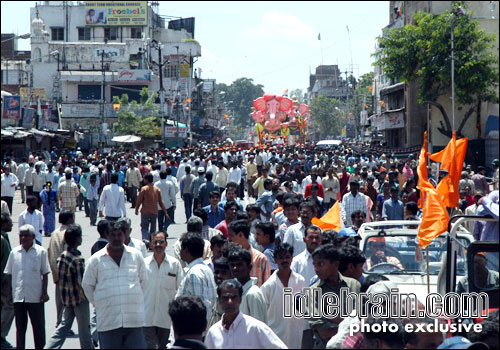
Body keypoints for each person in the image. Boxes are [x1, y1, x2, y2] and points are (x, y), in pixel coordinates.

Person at [82, 221, 148, 349]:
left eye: (120, 234)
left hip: (133, 320)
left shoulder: (136, 256)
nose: (117, 238)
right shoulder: (96, 260)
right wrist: (100, 303)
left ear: (125, 235)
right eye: (113, 235)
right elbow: (87, 286)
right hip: (108, 321)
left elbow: (144, 282)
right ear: (107, 236)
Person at [45, 225, 94, 349]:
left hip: (67, 299)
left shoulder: (62, 256)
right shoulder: (78, 260)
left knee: (63, 327)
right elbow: (82, 283)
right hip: (79, 300)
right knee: (84, 330)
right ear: (78, 240)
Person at [4, 224, 50, 349]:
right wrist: (9, 294)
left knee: (38, 327)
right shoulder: (14, 252)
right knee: (20, 328)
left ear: (33, 237)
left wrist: (44, 292)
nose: (23, 238)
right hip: (19, 297)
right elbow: (9, 274)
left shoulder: (41, 252)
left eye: (26, 235)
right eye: (21, 235)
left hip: (35, 296)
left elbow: (45, 273)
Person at [205, 279, 287, 349]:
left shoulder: (256, 328)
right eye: (225, 298)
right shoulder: (213, 332)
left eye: (234, 297)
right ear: (219, 301)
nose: (230, 302)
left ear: (240, 299)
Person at [308, 244, 361, 348]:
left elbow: (361, 321)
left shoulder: (354, 285)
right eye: (315, 265)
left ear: (335, 264)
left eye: (321, 264)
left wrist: (335, 319)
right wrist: (350, 324)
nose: (316, 269)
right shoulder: (312, 293)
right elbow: (323, 332)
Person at [261, 243, 307, 348]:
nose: (284, 260)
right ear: (276, 260)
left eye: (287, 257)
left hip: (296, 336)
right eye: (281, 258)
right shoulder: (268, 286)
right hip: (275, 338)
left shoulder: (300, 281)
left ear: (291, 259)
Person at [143, 231, 184, 349]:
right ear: (150, 245)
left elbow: (180, 289)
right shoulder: (144, 264)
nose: (158, 245)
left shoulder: (175, 264)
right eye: (155, 242)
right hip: (147, 318)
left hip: (166, 319)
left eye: (161, 242)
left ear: (166, 244)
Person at [175, 232, 217, 322]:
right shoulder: (204, 269)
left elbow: (202, 307)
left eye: (181, 248)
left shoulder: (195, 273)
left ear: (187, 251)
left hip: (195, 332)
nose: (179, 252)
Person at [47, 210, 75, 327]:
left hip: (56, 269)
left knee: (59, 299)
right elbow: (68, 252)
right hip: (65, 270)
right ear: (69, 219)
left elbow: (49, 251)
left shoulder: (54, 233)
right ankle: (64, 324)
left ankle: (59, 321)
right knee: (68, 299)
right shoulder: (68, 233)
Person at [227, 248, 267, 323]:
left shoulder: (253, 294)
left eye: (239, 265)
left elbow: (257, 328)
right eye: (232, 265)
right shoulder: (237, 292)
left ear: (249, 267)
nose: (235, 268)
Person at [227, 219, 270, 287]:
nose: (228, 239)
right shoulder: (228, 257)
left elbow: (267, 286)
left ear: (241, 235)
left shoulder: (260, 258)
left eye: (231, 236)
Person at [135, 173, 169, 242]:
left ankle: (145, 239)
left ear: (146, 180)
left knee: (144, 227)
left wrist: (136, 209)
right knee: (153, 229)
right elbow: (161, 202)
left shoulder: (144, 189)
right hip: (154, 212)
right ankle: (152, 242)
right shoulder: (157, 189)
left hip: (145, 212)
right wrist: (165, 212)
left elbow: (139, 200)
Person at [1, 213, 15, 350]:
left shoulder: (4, 237)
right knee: (9, 307)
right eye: (9, 222)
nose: (11, 224)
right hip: (4, 281)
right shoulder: (1, 240)